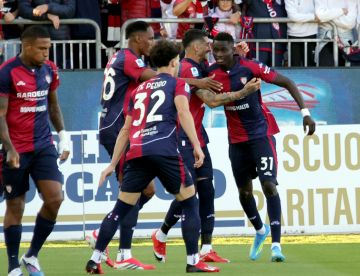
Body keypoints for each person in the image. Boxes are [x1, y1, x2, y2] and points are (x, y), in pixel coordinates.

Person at [85, 39, 220, 274]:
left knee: (121, 207)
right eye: (177, 62)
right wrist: (197, 146)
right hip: (164, 150)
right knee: (189, 201)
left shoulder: (137, 91)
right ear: (173, 62)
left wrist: (112, 164)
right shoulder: (178, 84)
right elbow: (183, 111)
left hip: (136, 153)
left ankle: (95, 258)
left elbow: (126, 131)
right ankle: (193, 260)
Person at [151, 29, 260, 264]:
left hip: (199, 137)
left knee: (207, 190)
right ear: (196, 46)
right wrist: (244, 92)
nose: (211, 47)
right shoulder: (187, 67)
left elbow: (219, 70)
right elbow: (211, 101)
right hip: (182, 138)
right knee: (188, 193)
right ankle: (161, 234)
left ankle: (206, 247)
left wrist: (240, 56)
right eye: (207, 44)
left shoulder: (199, 68)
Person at [208, 32, 315, 262]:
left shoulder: (251, 67)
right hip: (236, 141)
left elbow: (286, 82)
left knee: (269, 185)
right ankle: (259, 230)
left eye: (222, 50)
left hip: (261, 136)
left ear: (233, 50)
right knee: (244, 192)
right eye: (214, 50)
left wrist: (305, 113)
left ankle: (276, 245)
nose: (218, 55)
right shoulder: (211, 73)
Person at [87, 20, 158, 271]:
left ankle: (103, 233)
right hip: (118, 130)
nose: (152, 42)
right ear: (138, 39)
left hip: (118, 128)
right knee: (133, 190)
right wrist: (183, 78)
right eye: (150, 38)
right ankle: (123, 253)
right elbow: (155, 79)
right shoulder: (129, 58)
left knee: (147, 190)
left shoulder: (122, 57)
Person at [0, 25, 70, 276]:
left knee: (55, 198)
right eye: (41, 49)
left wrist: (63, 137)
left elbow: (53, 105)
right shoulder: (6, 72)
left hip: (43, 146)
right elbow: (0, 115)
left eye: (48, 48)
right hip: (15, 149)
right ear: (26, 46)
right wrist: (9, 148)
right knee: (15, 207)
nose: (46, 53)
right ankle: (12, 267)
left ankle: (31, 256)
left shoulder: (49, 69)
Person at [315, 0, 357, 66]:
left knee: (346, 72)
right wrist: (341, 11)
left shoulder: (351, 1)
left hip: (346, 42)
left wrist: (327, 17)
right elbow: (319, 15)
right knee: (325, 71)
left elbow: (349, 23)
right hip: (326, 40)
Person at [285, 0, 318, 67]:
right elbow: (293, 16)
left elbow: (320, 12)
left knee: (311, 66)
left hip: (311, 34)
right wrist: (313, 17)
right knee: (294, 66)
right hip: (293, 35)